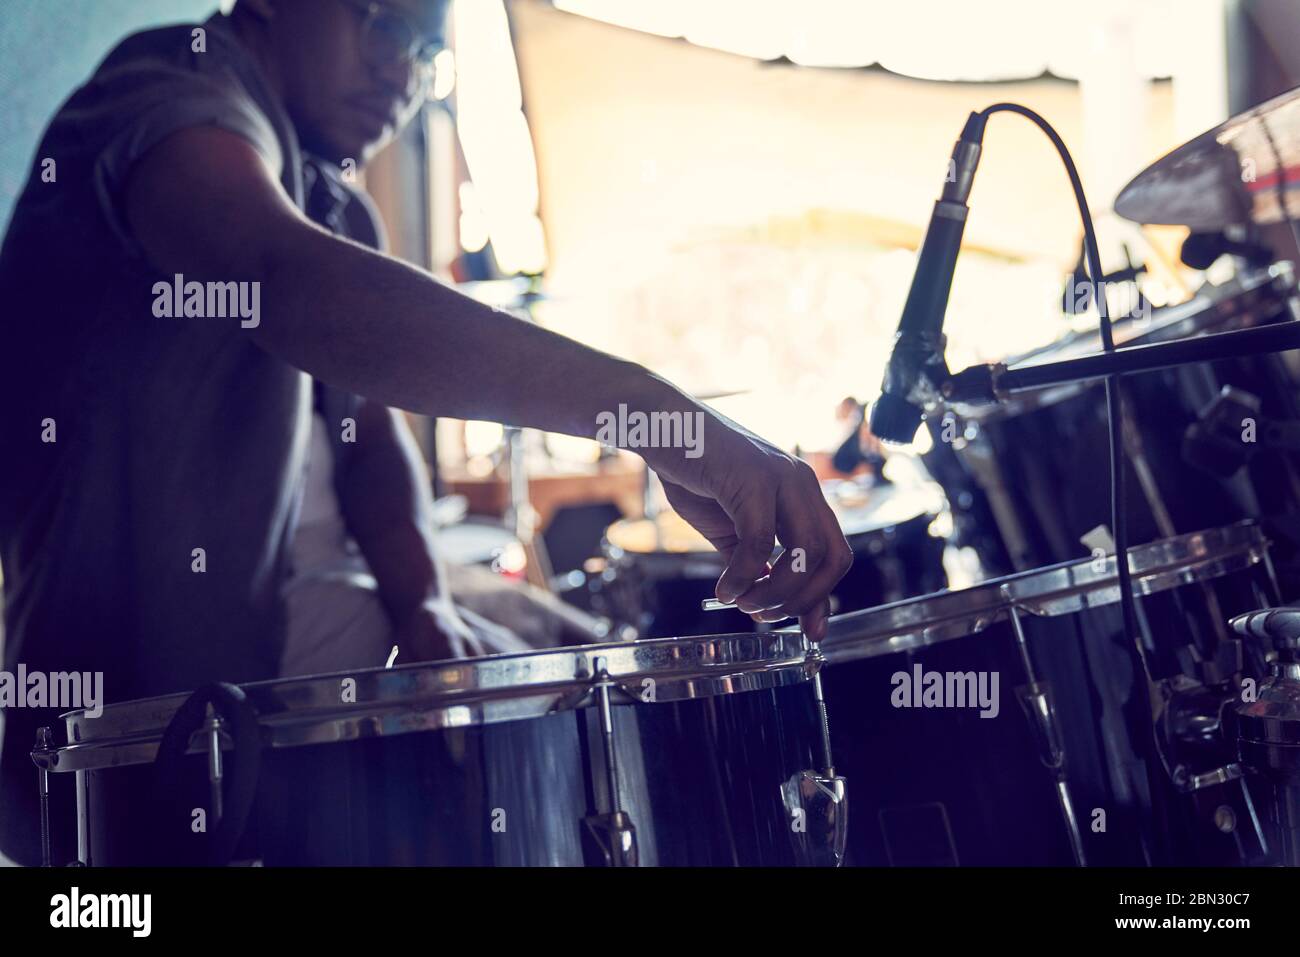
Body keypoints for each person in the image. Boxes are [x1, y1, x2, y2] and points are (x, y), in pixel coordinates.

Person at [0, 0, 852, 865]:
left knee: (609, 677)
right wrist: (666, 421)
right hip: (128, 743)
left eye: (422, 51)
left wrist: (425, 601)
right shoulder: (166, 93)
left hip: (290, 650)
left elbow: (371, 447)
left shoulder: (334, 202)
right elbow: (280, 278)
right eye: (379, 21)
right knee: (570, 735)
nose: (400, 73)